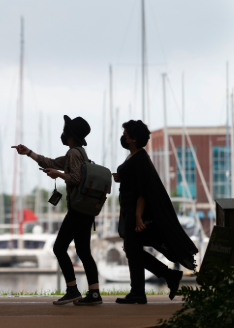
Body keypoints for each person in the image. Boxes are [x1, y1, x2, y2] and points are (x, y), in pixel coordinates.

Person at [12, 115, 101, 306]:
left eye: (64, 129)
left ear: (70, 134)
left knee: (59, 247)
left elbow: (76, 178)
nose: (62, 132)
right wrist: (29, 153)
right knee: (84, 251)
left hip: (78, 209)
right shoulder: (79, 152)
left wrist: (58, 175)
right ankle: (94, 293)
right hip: (86, 210)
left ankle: (72, 290)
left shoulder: (74, 154)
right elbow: (50, 161)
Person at [113, 120, 198, 304]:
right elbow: (135, 181)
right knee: (132, 249)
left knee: (131, 249)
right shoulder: (135, 157)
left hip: (135, 212)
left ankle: (141, 290)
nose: (123, 137)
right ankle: (162, 279)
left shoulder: (141, 158)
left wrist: (137, 216)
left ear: (134, 139)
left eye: (126, 135)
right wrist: (122, 178)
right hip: (129, 210)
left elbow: (144, 191)